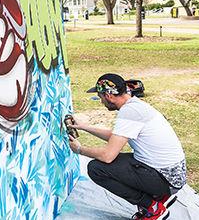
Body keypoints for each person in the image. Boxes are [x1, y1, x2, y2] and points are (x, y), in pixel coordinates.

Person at [68, 73, 186, 220]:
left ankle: (153, 207)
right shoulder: (134, 105)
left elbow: (107, 156)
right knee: (118, 162)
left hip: (166, 179)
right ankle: (159, 197)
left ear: (109, 95)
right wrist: (84, 127)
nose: (101, 102)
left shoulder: (129, 112)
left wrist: (79, 149)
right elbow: (115, 136)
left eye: (101, 97)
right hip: (172, 175)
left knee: (96, 169)